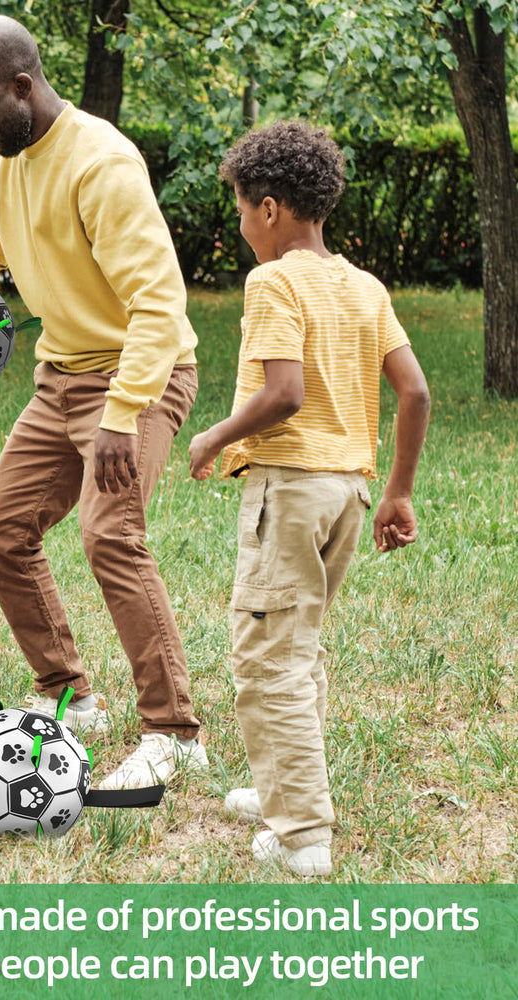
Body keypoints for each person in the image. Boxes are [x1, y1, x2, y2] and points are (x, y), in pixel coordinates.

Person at [0, 15, 206, 789]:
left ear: (22, 87)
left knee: (110, 535)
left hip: (139, 376)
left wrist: (124, 414)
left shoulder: (101, 164)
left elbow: (160, 306)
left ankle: (175, 732)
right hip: (61, 378)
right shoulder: (7, 155)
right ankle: (68, 692)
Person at [188, 120, 430, 875]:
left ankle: (301, 838)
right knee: (300, 644)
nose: (239, 224)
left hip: (289, 490)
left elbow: (283, 395)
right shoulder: (364, 286)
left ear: (268, 208)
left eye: (237, 208)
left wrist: (214, 436)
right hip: (350, 494)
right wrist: (398, 493)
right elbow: (416, 391)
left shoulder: (275, 281)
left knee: (268, 659)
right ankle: (281, 787)